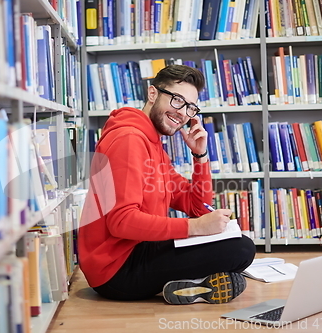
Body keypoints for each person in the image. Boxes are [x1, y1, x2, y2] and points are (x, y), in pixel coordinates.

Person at [78, 64, 256, 305]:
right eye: (177, 101)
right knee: (241, 250)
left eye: (190, 108)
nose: (183, 113)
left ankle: (188, 284)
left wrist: (200, 157)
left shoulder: (153, 144)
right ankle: (194, 283)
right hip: (116, 269)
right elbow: (121, 222)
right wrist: (196, 228)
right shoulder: (129, 140)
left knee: (236, 244)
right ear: (153, 94)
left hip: (138, 249)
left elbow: (197, 205)